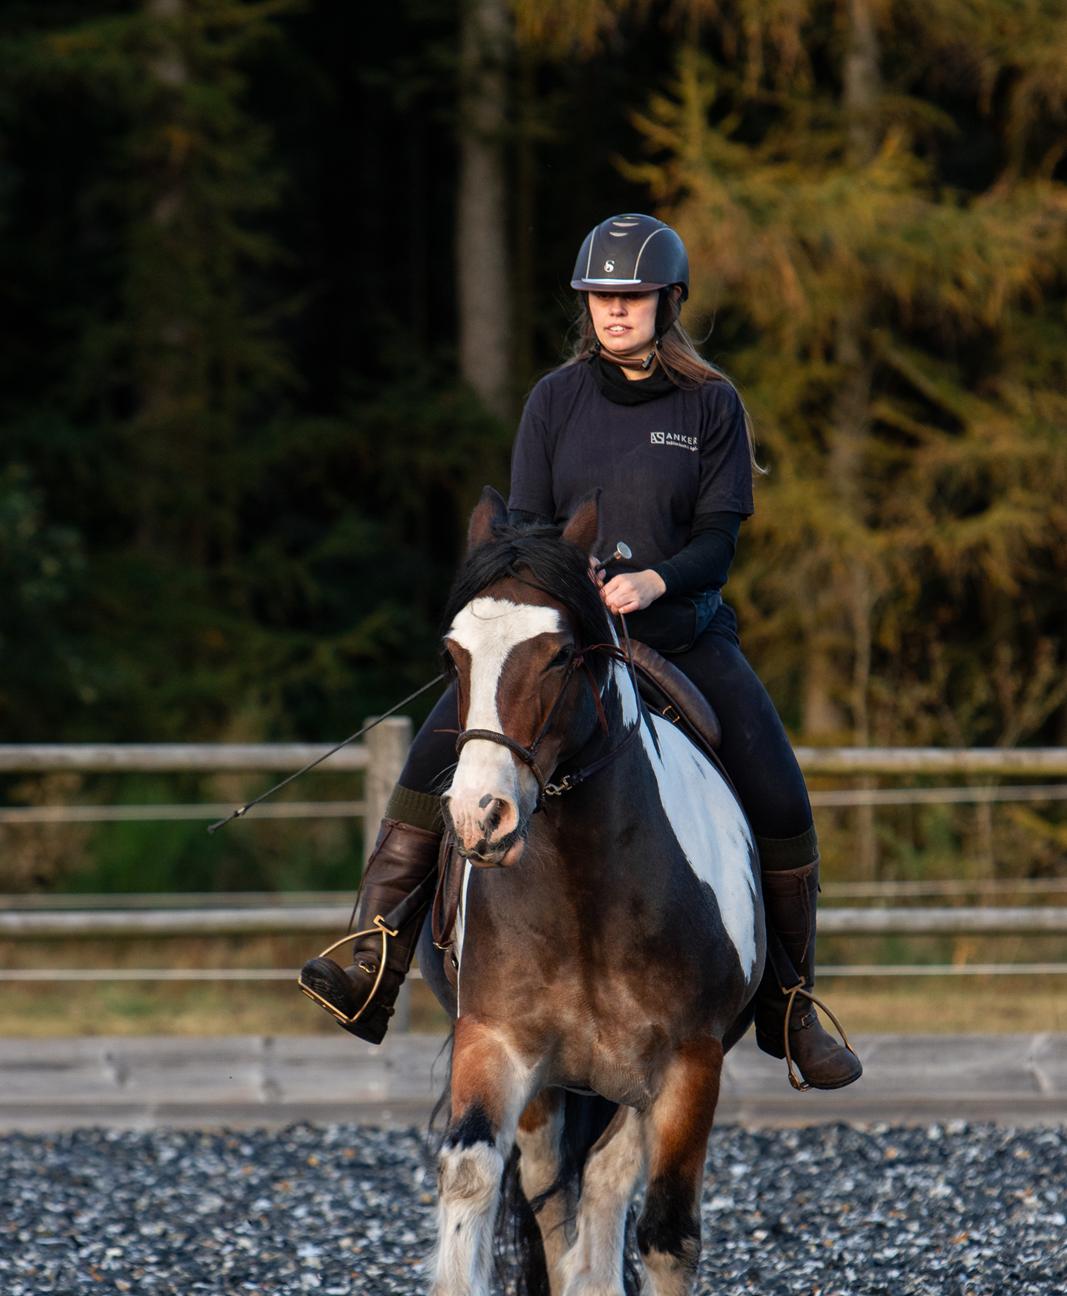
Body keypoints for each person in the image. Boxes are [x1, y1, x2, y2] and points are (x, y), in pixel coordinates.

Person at [300, 213, 862, 1091]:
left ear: (667, 301)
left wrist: (656, 584)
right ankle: (373, 951)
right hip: (563, 639)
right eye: (600, 296)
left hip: (681, 634)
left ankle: (790, 1003)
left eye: (631, 296)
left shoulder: (710, 404)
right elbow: (523, 526)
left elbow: (718, 538)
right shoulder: (553, 399)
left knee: (781, 790)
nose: (614, 310)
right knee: (438, 749)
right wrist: (558, 578)